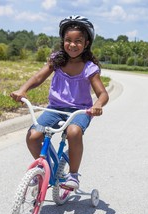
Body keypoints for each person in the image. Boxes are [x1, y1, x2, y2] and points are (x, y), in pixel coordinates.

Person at [10, 15, 109, 189]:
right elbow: (38, 77)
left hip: (79, 111)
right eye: (68, 40)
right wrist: (23, 89)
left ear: (86, 43)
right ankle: (47, 168)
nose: (72, 45)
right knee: (33, 136)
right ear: (62, 41)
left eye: (78, 41)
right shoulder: (56, 60)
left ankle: (73, 175)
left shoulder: (89, 67)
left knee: (73, 132)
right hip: (55, 108)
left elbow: (102, 93)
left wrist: (98, 105)